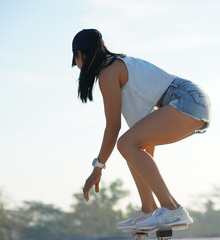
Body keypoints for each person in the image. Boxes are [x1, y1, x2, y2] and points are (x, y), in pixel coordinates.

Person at [72, 29, 211, 231]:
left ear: (80, 54)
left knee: (126, 144)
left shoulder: (108, 72)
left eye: (75, 61)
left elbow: (113, 126)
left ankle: (172, 209)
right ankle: (148, 210)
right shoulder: (120, 65)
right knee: (132, 147)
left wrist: (97, 168)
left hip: (185, 99)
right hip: (193, 99)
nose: (77, 66)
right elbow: (143, 146)